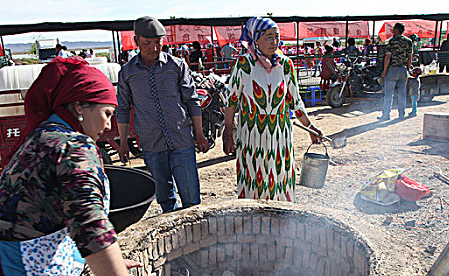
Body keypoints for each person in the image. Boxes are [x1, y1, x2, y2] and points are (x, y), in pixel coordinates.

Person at [0, 57, 158, 276]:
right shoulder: (74, 148)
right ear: (80, 107)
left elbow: (40, 223)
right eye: (107, 112)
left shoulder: (39, 138)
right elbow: (90, 230)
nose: (108, 125)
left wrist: (108, 265)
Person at [223, 17, 323, 201]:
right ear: (256, 39)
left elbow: (295, 102)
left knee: (280, 178)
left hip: (280, 134)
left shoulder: (285, 65)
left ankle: (281, 223)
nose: (274, 42)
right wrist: (228, 131)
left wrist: (310, 127)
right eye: (269, 37)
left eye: (276, 37)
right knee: (253, 178)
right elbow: (232, 101)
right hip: (251, 134)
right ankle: (252, 222)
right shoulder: (244, 65)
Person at [116, 16, 209, 213]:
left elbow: (192, 101)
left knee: (192, 199)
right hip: (151, 144)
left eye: (158, 42)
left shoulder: (176, 66)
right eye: (147, 43)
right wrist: (123, 143)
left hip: (182, 140)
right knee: (165, 200)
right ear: (136, 41)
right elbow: (122, 109)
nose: (154, 48)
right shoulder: (127, 73)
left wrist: (199, 134)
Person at [379, 22, 413, 120]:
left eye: (394, 29)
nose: (392, 31)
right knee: (402, 94)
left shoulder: (392, 41)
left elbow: (388, 57)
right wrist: (408, 69)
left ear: (397, 30)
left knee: (389, 94)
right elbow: (409, 57)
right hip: (403, 70)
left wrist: (384, 71)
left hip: (392, 70)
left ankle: (386, 115)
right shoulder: (408, 41)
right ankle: (401, 114)